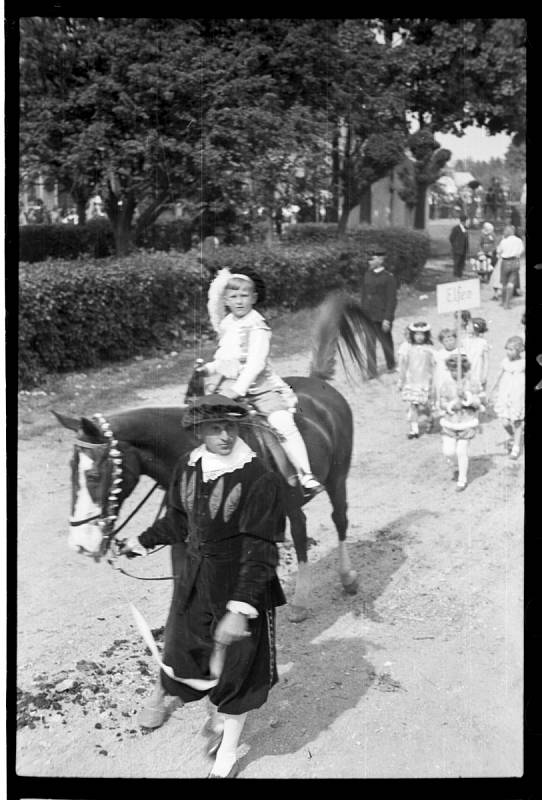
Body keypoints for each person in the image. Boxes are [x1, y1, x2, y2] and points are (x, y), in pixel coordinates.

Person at [119, 395, 287, 778]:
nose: (225, 435)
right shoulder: (188, 467)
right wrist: (139, 542)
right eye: (215, 428)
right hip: (195, 583)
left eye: (231, 427)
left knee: (239, 671)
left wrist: (240, 607)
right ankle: (212, 713)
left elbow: (262, 549)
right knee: (186, 652)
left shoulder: (258, 477)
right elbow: (179, 521)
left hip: (242, 584)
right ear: (198, 432)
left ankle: (225, 756)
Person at [201, 267, 323, 498]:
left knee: (282, 422)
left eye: (244, 296)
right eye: (233, 297)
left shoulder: (257, 326)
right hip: (227, 385)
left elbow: (255, 364)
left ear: (254, 298)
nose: (239, 301)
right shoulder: (228, 324)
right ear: (225, 300)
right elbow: (223, 359)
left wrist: (238, 391)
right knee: (204, 416)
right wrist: (208, 368)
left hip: (259, 388)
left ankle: (305, 474)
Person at [438, 353, 482, 492]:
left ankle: (462, 479)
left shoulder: (472, 382)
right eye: (452, 370)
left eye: (458, 370)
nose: (455, 373)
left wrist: (467, 397)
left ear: (464, 369)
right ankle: (456, 465)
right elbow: (442, 402)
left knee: (461, 451)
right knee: (449, 452)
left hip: (466, 422)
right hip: (450, 422)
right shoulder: (446, 384)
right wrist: (450, 405)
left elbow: (479, 402)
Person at [360, 245, 398, 377]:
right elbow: (363, 297)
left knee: (386, 341)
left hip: (382, 316)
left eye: (372, 259)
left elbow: (391, 300)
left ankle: (391, 364)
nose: (369, 262)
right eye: (369, 259)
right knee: (369, 343)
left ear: (381, 260)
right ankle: (371, 370)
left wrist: (388, 318)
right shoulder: (367, 275)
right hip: (369, 315)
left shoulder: (388, 277)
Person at [488, 336, 525, 459]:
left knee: (517, 421)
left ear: (519, 350)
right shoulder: (505, 362)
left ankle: (516, 447)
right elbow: (497, 377)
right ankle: (515, 437)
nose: (509, 352)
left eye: (512, 350)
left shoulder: (523, 363)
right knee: (505, 422)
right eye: (507, 349)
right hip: (505, 395)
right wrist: (491, 391)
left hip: (518, 396)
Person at [397, 321, 435, 439]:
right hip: (412, 380)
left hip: (425, 380)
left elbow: (434, 365)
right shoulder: (407, 348)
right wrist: (401, 380)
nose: (419, 337)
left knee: (425, 405)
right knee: (413, 405)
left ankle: (429, 419)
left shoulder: (429, 349)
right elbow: (403, 365)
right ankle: (414, 429)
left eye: (422, 334)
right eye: (417, 334)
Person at [494, 225, 524, 308]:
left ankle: (503, 302)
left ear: (509, 232)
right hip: (515, 261)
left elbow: (498, 251)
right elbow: (521, 251)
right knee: (511, 283)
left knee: (504, 283)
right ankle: (507, 304)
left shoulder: (504, 241)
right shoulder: (519, 240)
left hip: (505, 262)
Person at [463, 317, 490, 400]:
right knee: (466, 391)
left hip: (477, 369)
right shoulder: (464, 341)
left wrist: (484, 375)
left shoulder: (482, 342)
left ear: (475, 328)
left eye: (469, 325)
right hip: (466, 370)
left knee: (477, 393)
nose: (466, 327)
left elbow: (486, 361)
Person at [449, 213, 469, 278]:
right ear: (463, 221)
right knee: (456, 263)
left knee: (462, 263)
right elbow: (451, 238)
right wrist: (455, 245)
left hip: (464, 249)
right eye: (466, 220)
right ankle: (455, 276)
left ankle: (460, 275)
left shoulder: (465, 228)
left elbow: (466, 239)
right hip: (457, 249)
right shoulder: (456, 228)